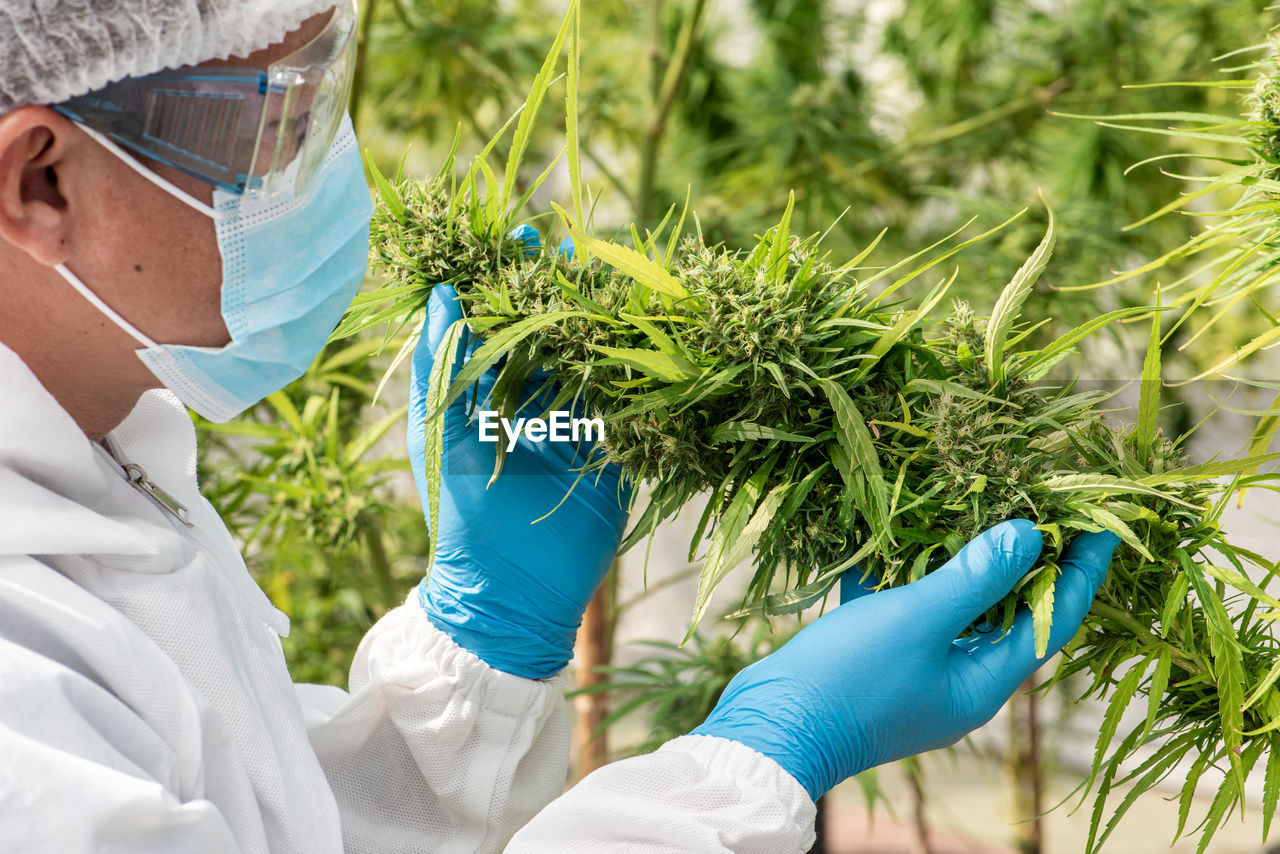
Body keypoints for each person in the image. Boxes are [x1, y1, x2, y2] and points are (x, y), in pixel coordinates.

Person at [0, 1, 1120, 851]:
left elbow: (275, 817)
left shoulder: (100, 472)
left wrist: (478, 637)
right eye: (281, 114)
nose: (332, 168)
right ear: (38, 181)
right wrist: (760, 758)